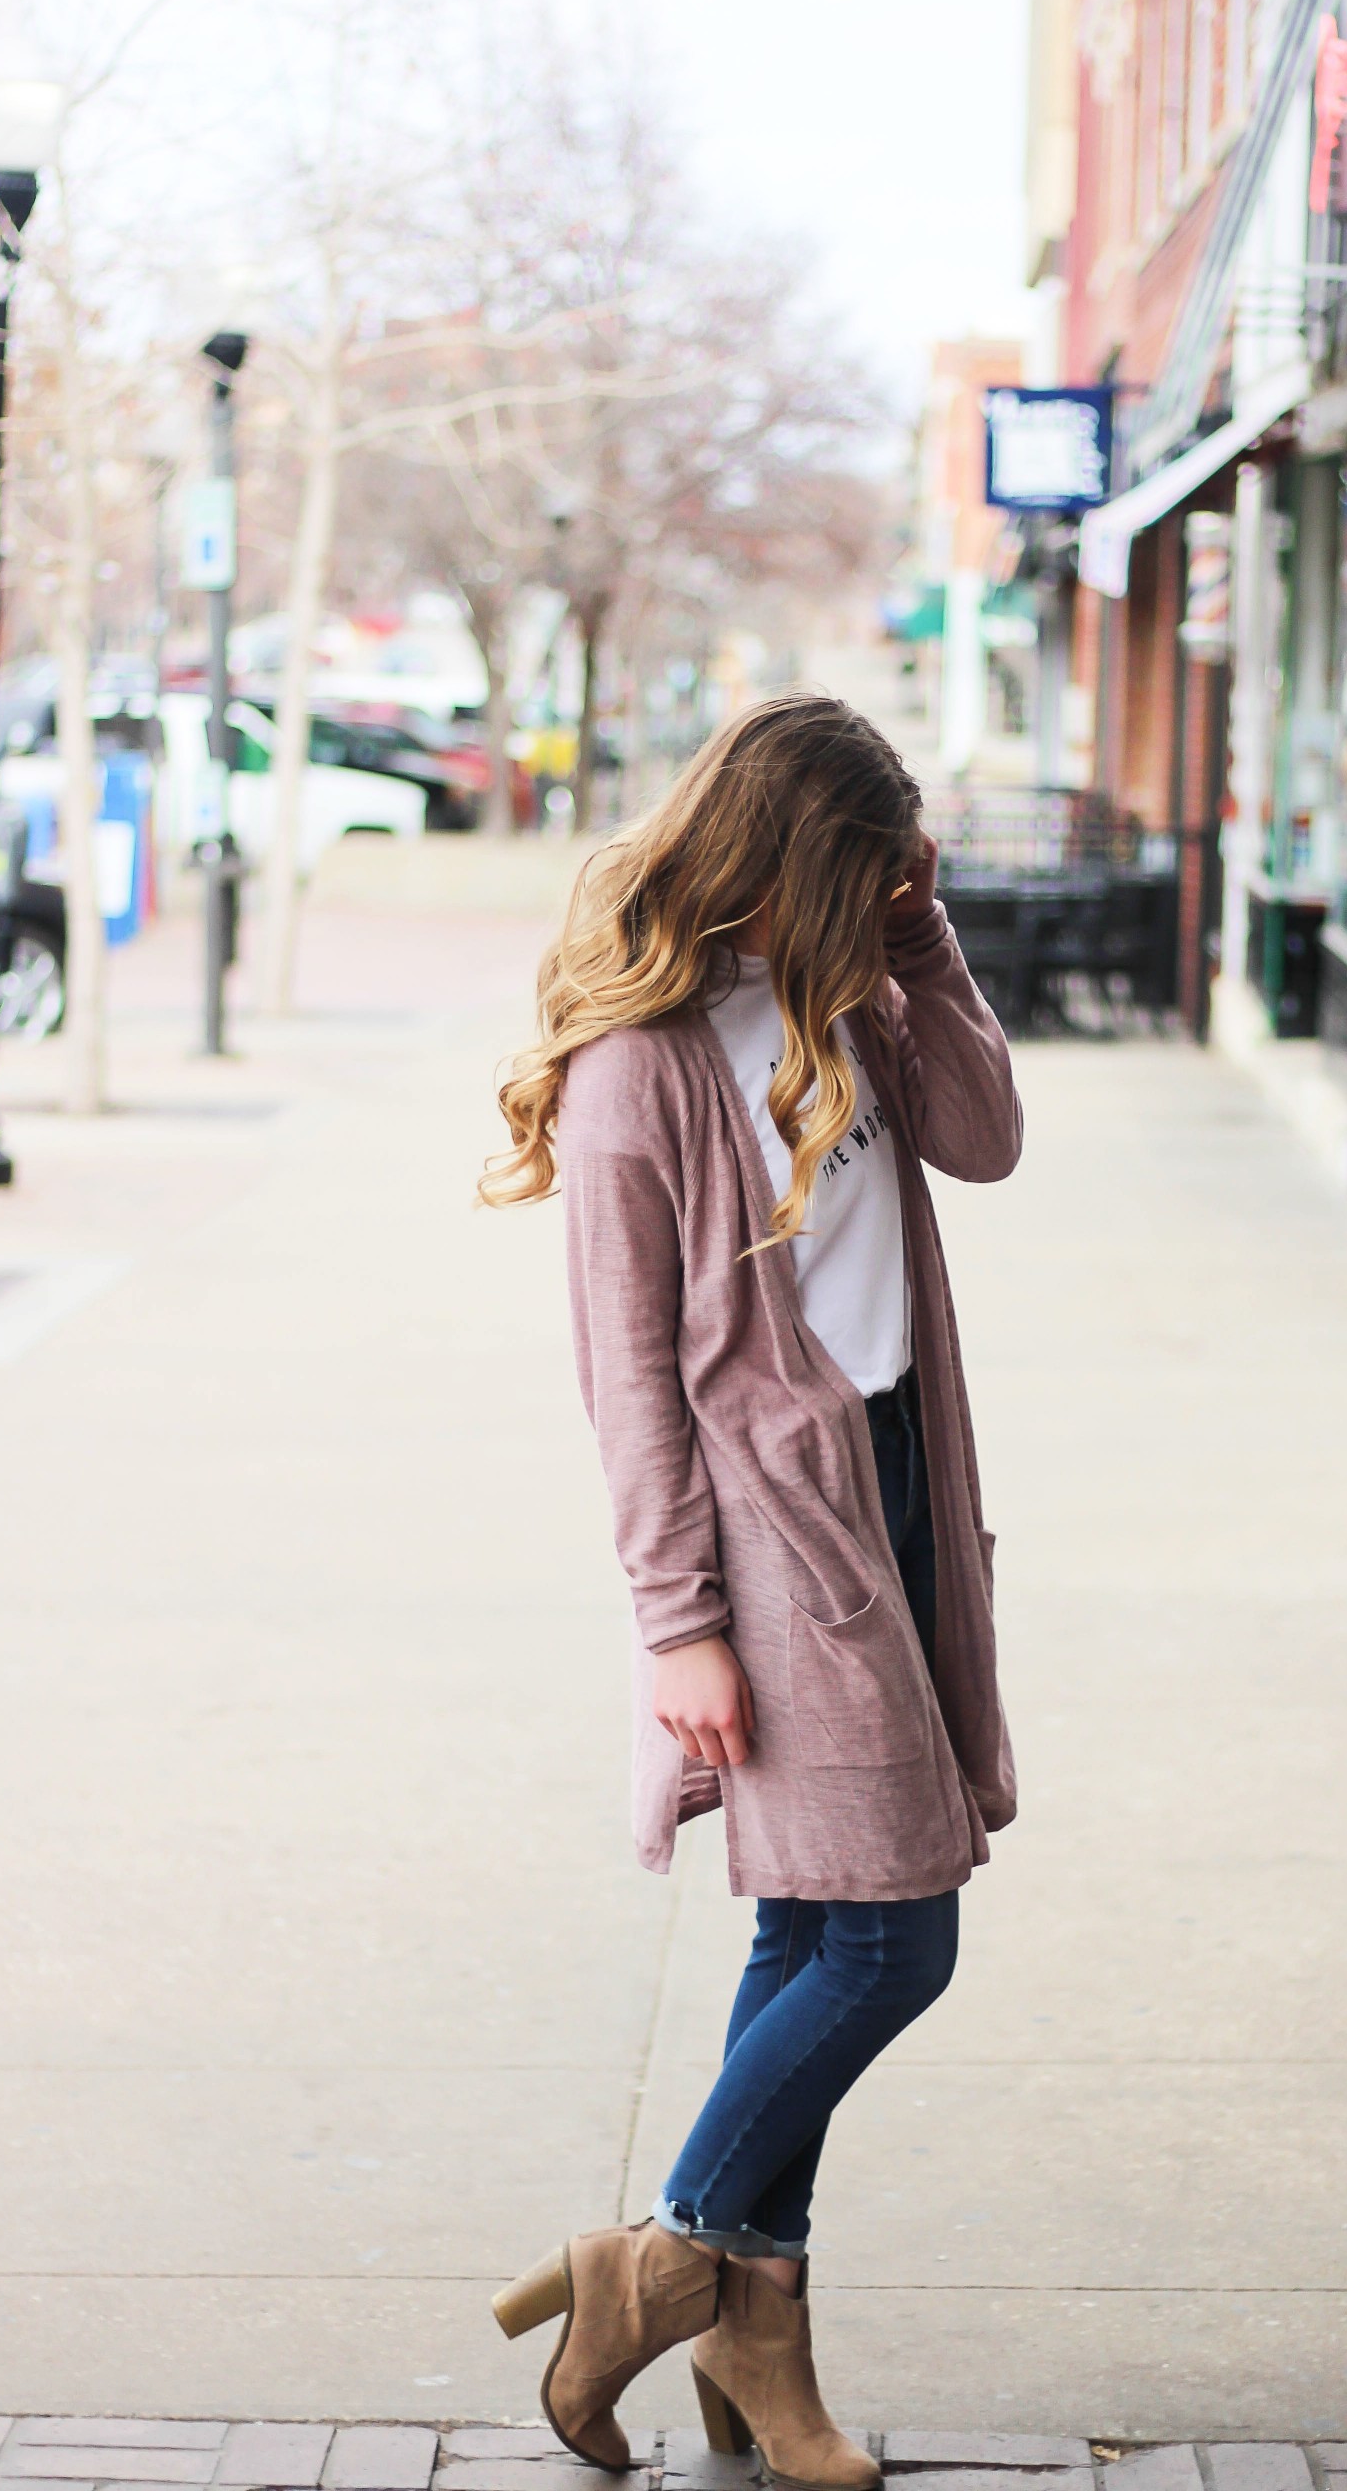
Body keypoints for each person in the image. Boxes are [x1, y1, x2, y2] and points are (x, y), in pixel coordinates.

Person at [479, 691, 1021, 2485]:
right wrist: (678, 1622)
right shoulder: (643, 1067)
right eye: (860, 874)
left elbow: (986, 1133)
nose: (879, 901)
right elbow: (626, 1375)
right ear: (786, 863)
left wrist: (924, 934)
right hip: (774, 1544)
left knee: (807, 1926)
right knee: (890, 1935)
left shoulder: (852, 990)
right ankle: (665, 2261)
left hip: (901, 1491)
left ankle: (754, 2355)